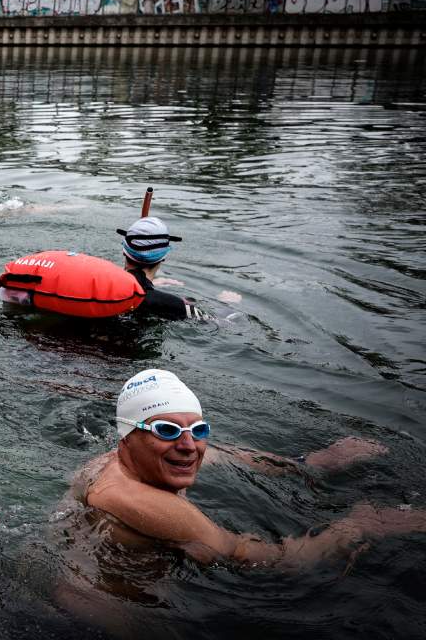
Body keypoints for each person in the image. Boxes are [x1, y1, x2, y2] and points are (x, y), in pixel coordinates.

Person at [70, 368, 424, 568]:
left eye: (199, 430)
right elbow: (273, 563)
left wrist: (311, 464)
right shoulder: (150, 505)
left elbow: (227, 454)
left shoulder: (109, 462)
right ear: (127, 438)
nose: (189, 445)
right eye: (167, 430)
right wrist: (361, 524)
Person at [117, 216, 206, 320]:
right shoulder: (177, 306)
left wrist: (152, 284)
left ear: (124, 251)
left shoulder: (102, 286)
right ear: (163, 257)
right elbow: (221, 323)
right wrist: (227, 302)